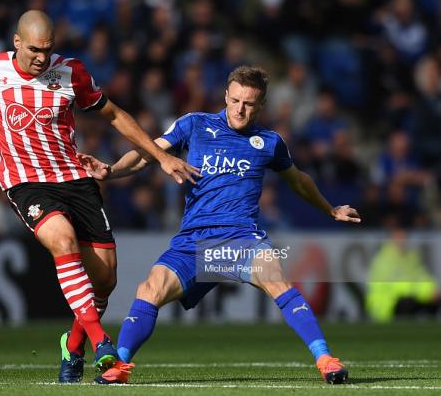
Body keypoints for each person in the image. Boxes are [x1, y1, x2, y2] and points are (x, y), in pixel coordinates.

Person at [0, 10, 198, 379]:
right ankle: (101, 343)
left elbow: (114, 115)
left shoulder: (71, 72)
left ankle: (72, 346)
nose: (41, 57)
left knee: (105, 280)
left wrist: (160, 157)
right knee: (63, 239)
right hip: (24, 180)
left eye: (47, 49)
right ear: (16, 42)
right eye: (33, 49)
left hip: (74, 177)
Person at [78, 66, 361, 385]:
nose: (240, 109)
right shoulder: (194, 124)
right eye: (236, 100)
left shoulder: (269, 142)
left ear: (261, 105)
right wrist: (112, 171)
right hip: (193, 242)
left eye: (250, 103)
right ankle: (120, 367)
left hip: (241, 239)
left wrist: (331, 209)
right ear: (226, 95)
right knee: (150, 288)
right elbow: (147, 153)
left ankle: (326, 359)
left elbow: (298, 181)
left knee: (277, 280)